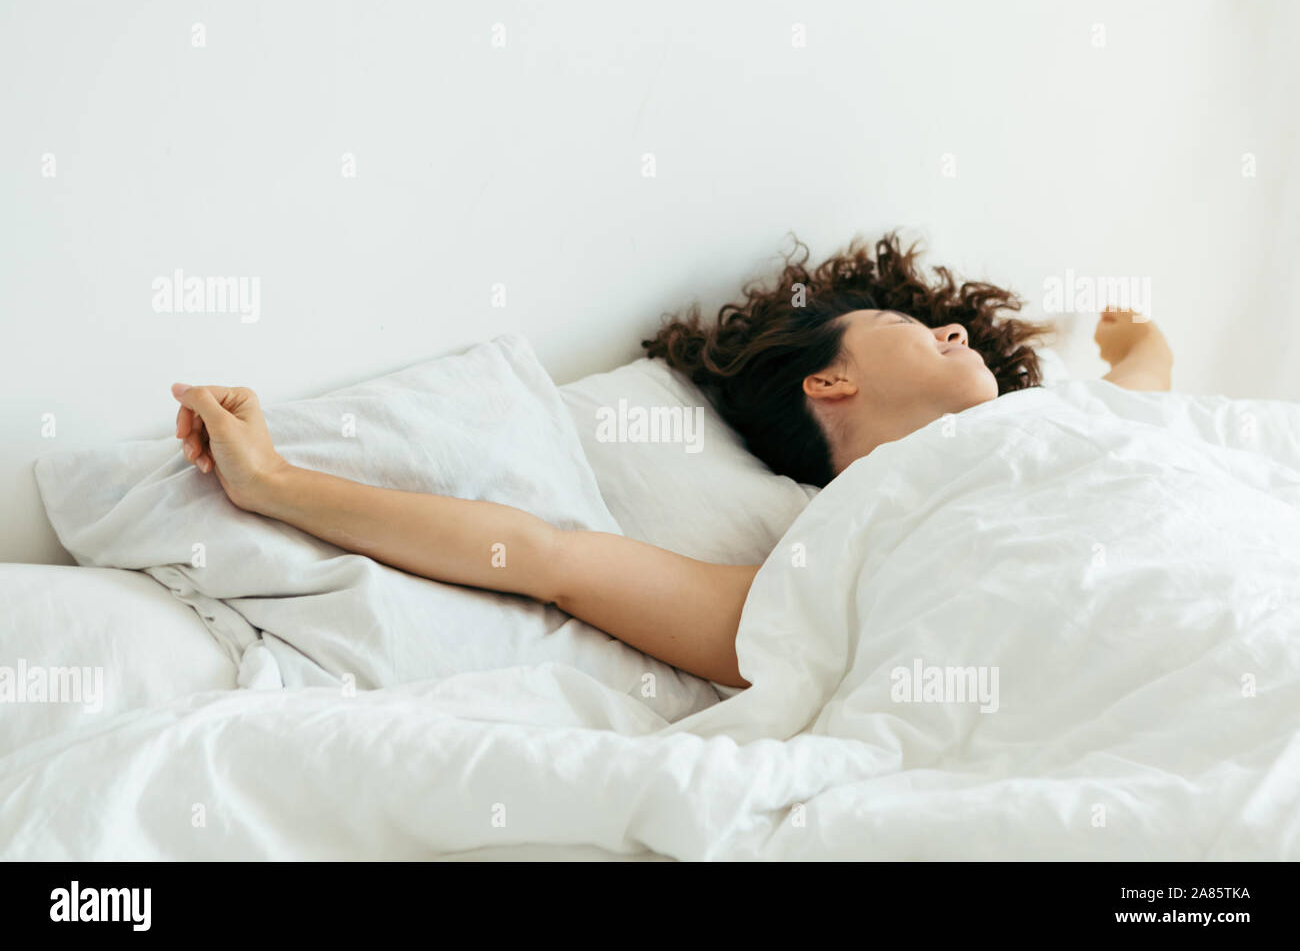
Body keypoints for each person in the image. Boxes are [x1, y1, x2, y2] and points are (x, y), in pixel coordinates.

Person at [168, 234, 1173, 691]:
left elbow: (1150, 393)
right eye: (902, 324)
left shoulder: (1065, 427)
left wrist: (1134, 346)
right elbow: (544, 552)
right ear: (830, 385)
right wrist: (274, 482)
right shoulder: (831, 555)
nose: (953, 330)